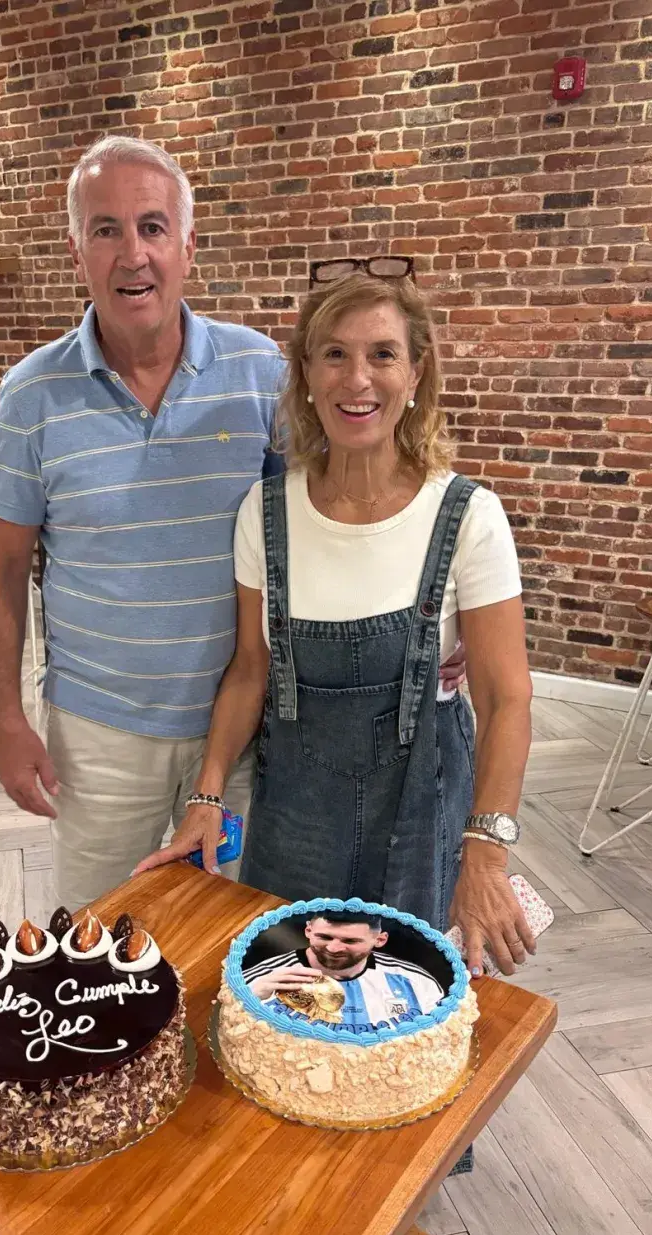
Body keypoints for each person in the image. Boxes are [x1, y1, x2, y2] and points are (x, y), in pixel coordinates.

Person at [0, 137, 466, 904]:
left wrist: (439, 618)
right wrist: (6, 721)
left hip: (240, 733)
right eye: (106, 230)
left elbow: (334, 513)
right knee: (99, 940)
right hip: (100, 735)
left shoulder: (262, 374)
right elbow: (0, 571)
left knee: (229, 931)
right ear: (77, 251)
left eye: (152, 227)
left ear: (186, 245)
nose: (132, 254)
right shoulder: (32, 395)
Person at [135, 267, 536, 981]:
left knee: (409, 1001)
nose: (358, 380)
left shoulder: (469, 516)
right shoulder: (264, 514)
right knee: (287, 992)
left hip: (424, 810)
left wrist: (486, 851)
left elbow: (510, 698)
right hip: (294, 813)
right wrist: (207, 794)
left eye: (382, 354)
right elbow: (251, 672)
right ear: (306, 376)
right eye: (335, 354)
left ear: (416, 374)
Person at [246, 911, 444, 1023]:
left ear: (380, 940)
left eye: (350, 941)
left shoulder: (417, 982)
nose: (333, 948)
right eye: (324, 937)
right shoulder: (263, 980)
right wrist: (249, 998)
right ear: (308, 930)